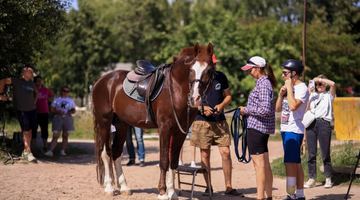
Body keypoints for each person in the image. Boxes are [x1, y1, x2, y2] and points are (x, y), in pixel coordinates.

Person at [190, 54, 241, 196]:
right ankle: (209, 187)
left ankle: (229, 187)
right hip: (201, 121)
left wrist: (222, 105)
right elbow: (190, 101)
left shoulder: (221, 76)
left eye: (215, 63)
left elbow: (229, 95)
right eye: (212, 63)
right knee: (204, 155)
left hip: (220, 121)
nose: (214, 65)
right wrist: (201, 108)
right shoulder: (196, 78)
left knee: (226, 152)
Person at [239, 56, 276, 200]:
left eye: (251, 69)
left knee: (259, 165)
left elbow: (265, 109)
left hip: (257, 128)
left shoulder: (262, 84)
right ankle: (268, 196)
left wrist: (246, 110)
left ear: (258, 68)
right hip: (261, 128)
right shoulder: (264, 83)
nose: (249, 72)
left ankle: (260, 197)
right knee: (264, 164)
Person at [275, 59, 309, 200]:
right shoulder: (287, 88)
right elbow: (277, 109)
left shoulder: (302, 88)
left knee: (289, 163)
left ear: (293, 73)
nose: (282, 76)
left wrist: (289, 89)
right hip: (285, 127)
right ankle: (299, 195)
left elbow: (294, 106)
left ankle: (291, 194)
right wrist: (280, 94)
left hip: (294, 130)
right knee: (295, 163)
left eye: (285, 73)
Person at [304, 75, 336, 189]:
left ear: (325, 84)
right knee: (311, 153)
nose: (319, 86)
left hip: (324, 123)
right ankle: (312, 178)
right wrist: (314, 81)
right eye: (317, 84)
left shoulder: (329, 95)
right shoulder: (312, 95)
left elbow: (333, 84)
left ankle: (328, 178)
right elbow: (310, 84)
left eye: (321, 84)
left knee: (325, 152)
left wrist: (320, 80)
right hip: (311, 123)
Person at [0, 66, 38, 162]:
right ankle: (28, 152)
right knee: (26, 130)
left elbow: (36, 93)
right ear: (24, 73)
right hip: (22, 110)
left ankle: (26, 151)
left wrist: (34, 102)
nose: (31, 73)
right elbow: (2, 81)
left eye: (31, 72)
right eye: (29, 71)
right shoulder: (16, 81)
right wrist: (1, 94)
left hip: (32, 110)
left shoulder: (32, 83)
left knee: (30, 130)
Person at [45, 86, 76, 157]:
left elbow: (74, 110)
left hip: (67, 118)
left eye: (67, 91)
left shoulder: (71, 100)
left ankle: (63, 151)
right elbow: (52, 109)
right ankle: (50, 151)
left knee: (65, 135)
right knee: (56, 135)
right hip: (58, 118)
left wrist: (70, 111)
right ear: (61, 91)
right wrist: (58, 111)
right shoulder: (56, 100)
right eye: (64, 91)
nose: (66, 93)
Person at [32, 76, 53, 152]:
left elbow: (51, 97)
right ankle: (33, 148)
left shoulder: (46, 90)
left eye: (40, 81)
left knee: (44, 129)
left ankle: (45, 146)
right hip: (34, 112)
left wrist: (49, 100)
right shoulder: (32, 90)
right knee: (33, 129)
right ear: (34, 82)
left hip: (44, 112)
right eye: (37, 81)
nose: (39, 82)